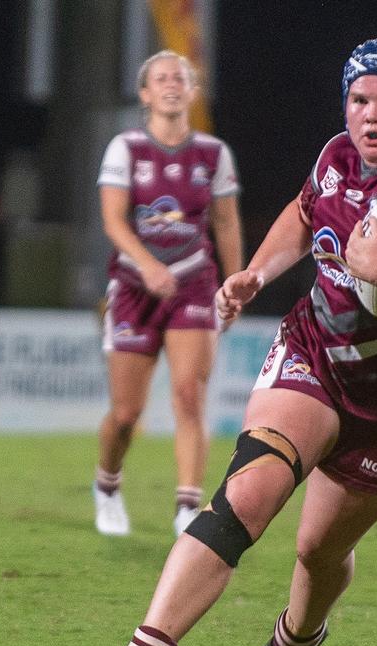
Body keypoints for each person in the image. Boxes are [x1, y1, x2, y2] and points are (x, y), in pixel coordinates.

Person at [93, 37, 377, 646]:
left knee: (317, 550)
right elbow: (306, 211)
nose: (369, 115)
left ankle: (295, 641)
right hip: (314, 354)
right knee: (245, 498)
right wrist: (255, 272)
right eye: (359, 99)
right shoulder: (337, 155)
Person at [93, 50, 244, 538]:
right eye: (161, 78)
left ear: (193, 90)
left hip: (193, 283)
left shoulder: (213, 154)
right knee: (125, 414)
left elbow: (225, 222)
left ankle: (186, 507)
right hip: (136, 287)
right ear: (145, 93)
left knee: (188, 395)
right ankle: (108, 486)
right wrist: (149, 265)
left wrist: (235, 281)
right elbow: (114, 220)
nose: (172, 85)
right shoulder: (126, 149)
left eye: (181, 78)